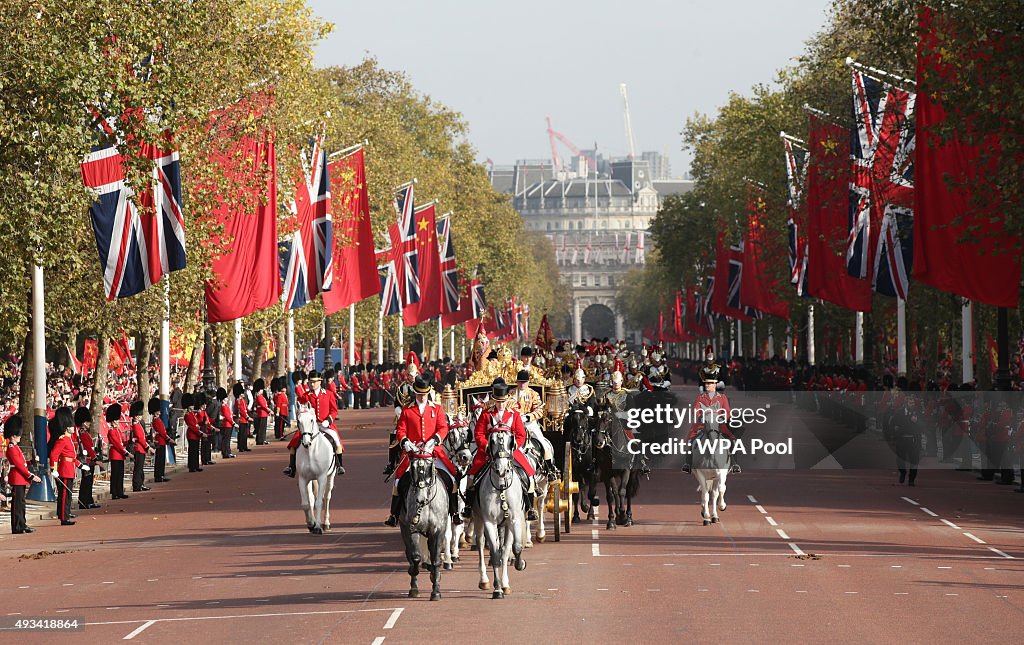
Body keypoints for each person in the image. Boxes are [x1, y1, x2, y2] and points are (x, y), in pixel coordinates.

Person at [384, 376, 457, 527]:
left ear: (429, 392)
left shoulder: (436, 408)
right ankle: (394, 514)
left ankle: (454, 512)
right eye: (419, 394)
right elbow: (401, 430)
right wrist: (405, 442)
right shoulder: (407, 409)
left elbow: (443, 428)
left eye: (424, 394)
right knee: (398, 481)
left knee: (452, 479)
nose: (422, 397)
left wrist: (435, 440)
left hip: (433, 452)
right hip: (413, 453)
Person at [463, 378, 538, 521]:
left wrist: (514, 445)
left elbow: (521, 434)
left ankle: (530, 508)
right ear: (494, 400)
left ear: (507, 400)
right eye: (498, 401)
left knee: (529, 474)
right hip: (488, 452)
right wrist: (487, 446)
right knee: (471, 476)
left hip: (511, 451)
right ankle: (468, 506)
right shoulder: (486, 413)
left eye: (503, 401)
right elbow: (478, 434)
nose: (500, 404)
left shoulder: (514, 414)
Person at [284, 370, 344, 477]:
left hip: (325, 425)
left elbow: (334, 411)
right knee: (294, 443)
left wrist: (328, 420)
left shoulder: (328, 394)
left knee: (336, 440)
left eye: (315, 382)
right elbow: (300, 411)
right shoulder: (305, 396)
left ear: (320, 382)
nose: (312, 384)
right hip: (309, 427)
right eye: (311, 382)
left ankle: (339, 465)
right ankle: (291, 467)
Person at [681, 369, 741, 475]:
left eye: (710, 383)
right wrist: (700, 417)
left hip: (718, 424)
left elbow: (727, 411)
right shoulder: (700, 397)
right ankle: (688, 463)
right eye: (706, 383)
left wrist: (722, 417)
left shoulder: (722, 397)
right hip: (702, 424)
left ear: (715, 384)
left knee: (733, 439)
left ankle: (734, 463)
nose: (707, 385)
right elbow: (695, 410)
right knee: (690, 440)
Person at [510, 369, 557, 476]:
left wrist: (528, 417)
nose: (522, 384)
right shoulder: (511, 393)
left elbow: (540, 410)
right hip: (514, 423)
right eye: (520, 382)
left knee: (544, 444)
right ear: (517, 382)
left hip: (530, 423)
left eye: (524, 382)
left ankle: (550, 470)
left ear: (528, 382)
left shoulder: (533, 394)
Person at [4, 416, 42, 534]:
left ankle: (22, 524)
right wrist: (31, 476)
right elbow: (19, 465)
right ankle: (17, 526)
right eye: (18, 435)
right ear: (13, 435)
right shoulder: (11, 447)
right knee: (17, 504)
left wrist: (31, 461)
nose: (20, 436)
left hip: (20, 478)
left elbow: (22, 463)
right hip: (17, 478)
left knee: (21, 503)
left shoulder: (15, 447)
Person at [49, 407, 81, 526]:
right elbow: (54, 455)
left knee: (67, 494)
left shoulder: (68, 439)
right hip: (64, 470)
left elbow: (72, 457)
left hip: (69, 468)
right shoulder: (62, 440)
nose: (74, 428)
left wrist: (80, 465)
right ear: (67, 427)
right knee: (64, 495)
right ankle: (64, 517)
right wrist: (54, 469)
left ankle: (64, 513)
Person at [74, 407, 101, 509]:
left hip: (89, 460)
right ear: (83, 422)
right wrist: (95, 458)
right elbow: (88, 448)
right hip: (87, 461)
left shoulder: (83, 432)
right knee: (86, 482)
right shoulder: (82, 433)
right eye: (87, 422)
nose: (89, 423)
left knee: (88, 482)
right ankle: (84, 501)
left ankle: (87, 500)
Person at [106, 403, 129, 499]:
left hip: (120, 455)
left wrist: (128, 441)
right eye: (116, 420)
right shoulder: (111, 431)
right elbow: (117, 444)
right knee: (115, 474)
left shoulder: (117, 430)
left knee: (120, 474)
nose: (118, 421)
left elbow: (121, 442)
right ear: (112, 421)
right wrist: (125, 452)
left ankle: (119, 491)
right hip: (116, 454)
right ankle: (114, 492)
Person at [129, 400, 151, 492]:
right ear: (136, 416)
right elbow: (140, 438)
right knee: (138, 468)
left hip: (141, 448)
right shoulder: (136, 425)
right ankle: (137, 485)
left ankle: (140, 484)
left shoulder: (138, 424)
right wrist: (148, 447)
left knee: (140, 468)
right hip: (139, 448)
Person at [150, 397, 172, 483]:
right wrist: (168, 439)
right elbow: (162, 432)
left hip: (161, 440)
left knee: (161, 459)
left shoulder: (158, 419)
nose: (160, 411)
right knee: (159, 460)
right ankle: (159, 476)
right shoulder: (156, 420)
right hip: (160, 441)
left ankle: (161, 475)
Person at [183, 393, 203, 473]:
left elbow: (196, 423)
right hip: (192, 435)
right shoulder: (187, 415)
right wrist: (200, 433)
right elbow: (192, 426)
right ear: (188, 406)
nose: (193, 406)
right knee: (192, 451)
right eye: (191, 405)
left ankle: (196, 465)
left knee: (196, 451)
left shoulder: (192, 414)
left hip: (196, 434)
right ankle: (192, 466)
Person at [217, 388, 236, 459]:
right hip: (227, 424)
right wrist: (233, 423)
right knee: (226, 440)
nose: (227, 399)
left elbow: (229, 414)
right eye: (225, 398)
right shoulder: (223, 406)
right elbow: (227, 416)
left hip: (228, 424)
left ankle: (228, 452)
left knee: (227, 439)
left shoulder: (225, 406)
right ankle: (225, 452)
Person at [233, 382, 251, 453]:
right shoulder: (238, 401)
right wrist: (247, 417)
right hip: (242, 419)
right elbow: (242, 411)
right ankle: (241, 447)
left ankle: (244, 446)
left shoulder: (242, 401)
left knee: (245, 433)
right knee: (241, 434)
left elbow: (245, 409)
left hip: (245, 419)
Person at [253, 379, 271, 445]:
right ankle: (260, 440)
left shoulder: (261, 396)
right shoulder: (259, 396)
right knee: (261, 428)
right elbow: (263, 405)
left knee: (263, 427)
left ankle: (262, 439)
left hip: (263, 413)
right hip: (262, 413)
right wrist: (268, 410)